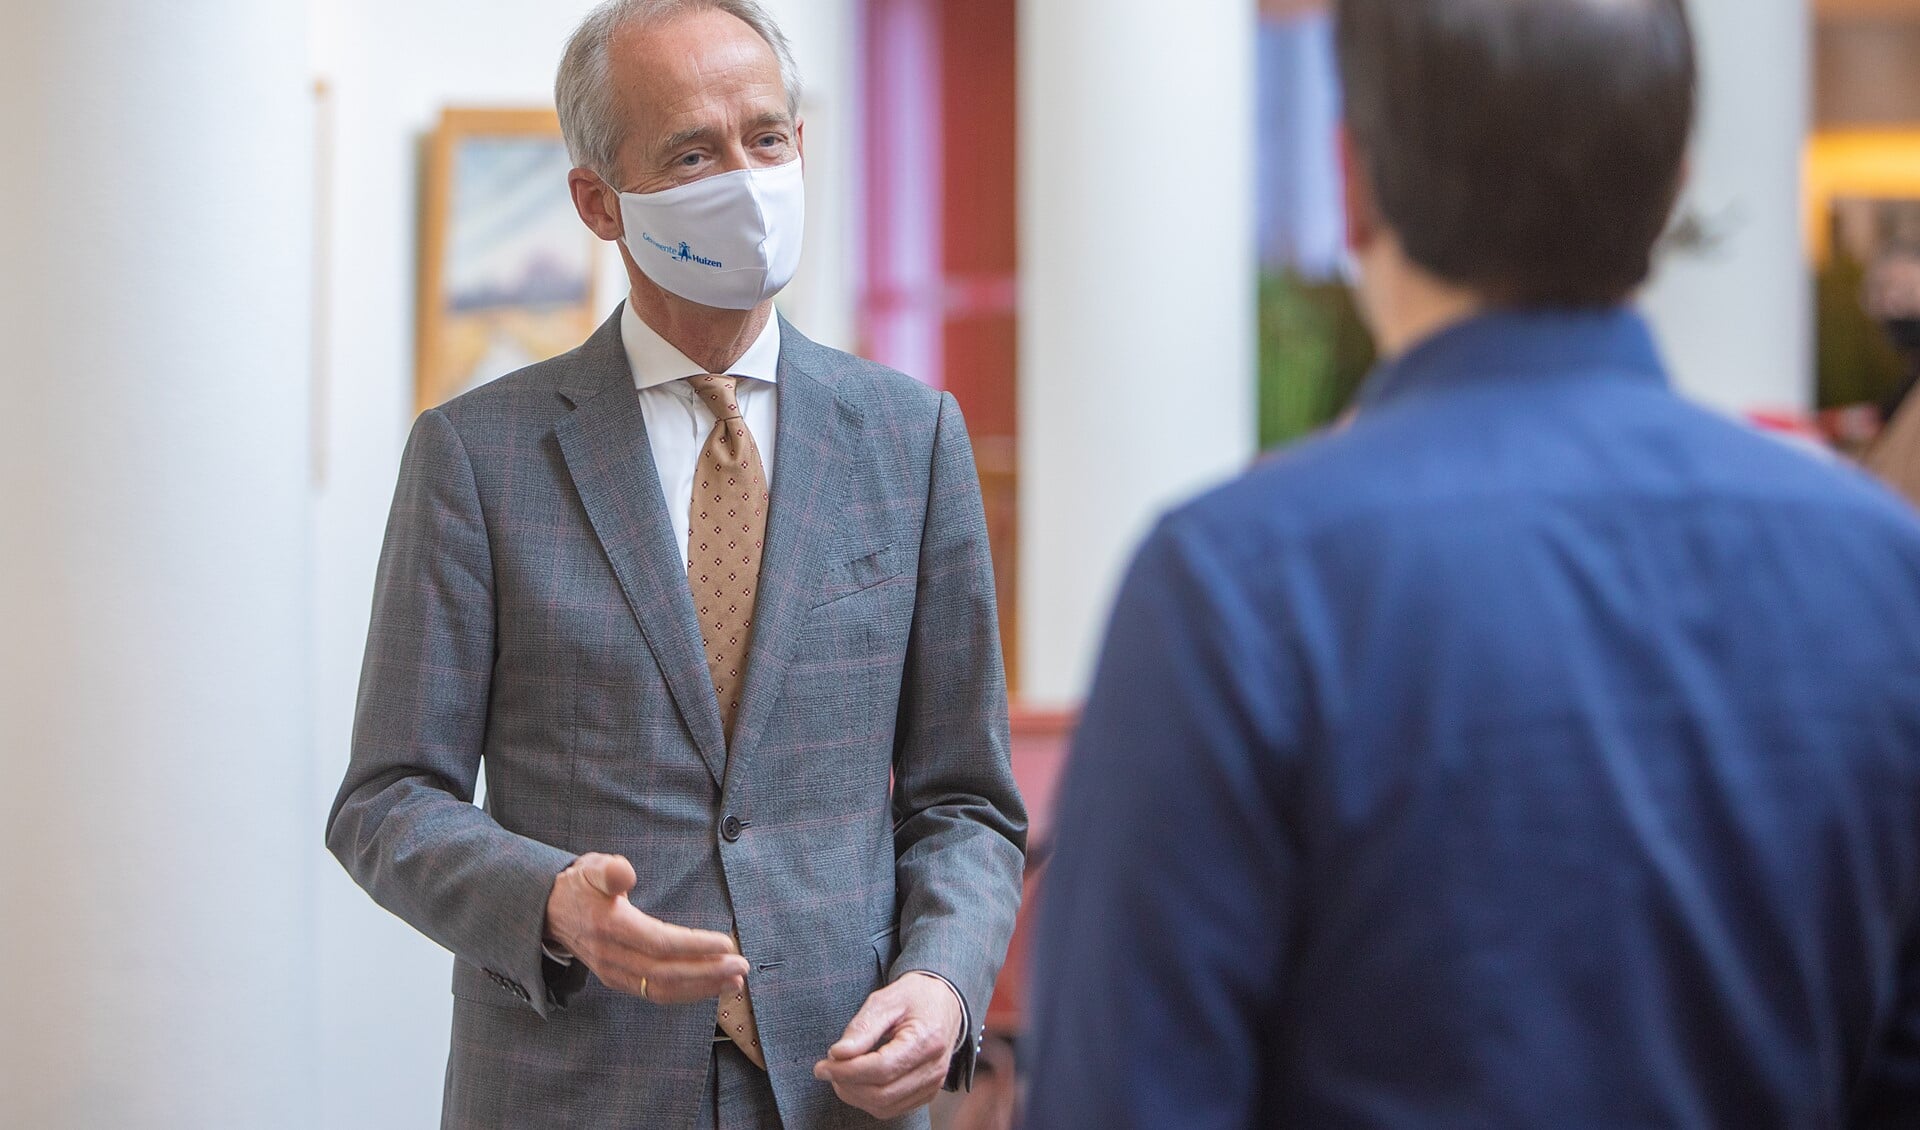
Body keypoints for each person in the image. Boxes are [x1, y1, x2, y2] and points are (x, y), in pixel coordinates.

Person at [1024, 0, 1920, 1126]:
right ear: (1673, 187)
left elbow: (1126, 1097)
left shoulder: (1233, 585)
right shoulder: (1884, 570)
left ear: (1352, 186)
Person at [327, 2, 1026, 1126]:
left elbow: (967, 801)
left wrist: (942, 980)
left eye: (767, 136)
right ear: (599, 201)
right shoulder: (477, 455)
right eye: (693, 152)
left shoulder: (913, 439)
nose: (745, 177)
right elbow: (386, 800)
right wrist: (549, 901)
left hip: (839, 1086)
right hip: (569, 1087)